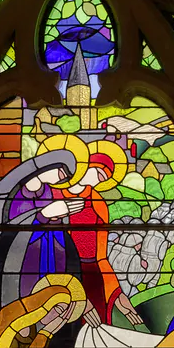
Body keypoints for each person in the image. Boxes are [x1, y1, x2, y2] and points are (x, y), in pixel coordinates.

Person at [0, 140, 88, 333]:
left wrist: (59, 216)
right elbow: (9, 230)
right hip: (18, 262)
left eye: (65, 177)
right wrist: (44, 215)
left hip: (47, 256)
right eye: (61, 173)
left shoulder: (49, 191)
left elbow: (49, 225)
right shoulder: (14, 191)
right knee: (22, 306)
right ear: (48, 165)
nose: (62, 179)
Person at [53, 140, 144, 327]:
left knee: (96, 327)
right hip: (55, 269)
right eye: (98, 173)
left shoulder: (98, 204)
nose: (98, 181)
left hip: (91, 274)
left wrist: (116, 292)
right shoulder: (53, 195)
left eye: (103, 179)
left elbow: (101, 257)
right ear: (85, 164)